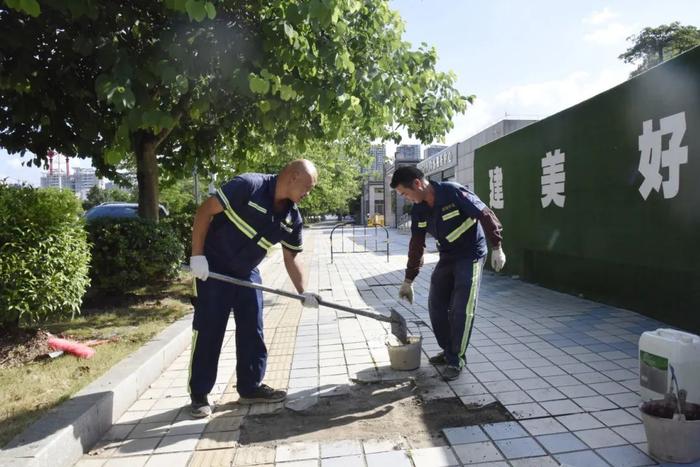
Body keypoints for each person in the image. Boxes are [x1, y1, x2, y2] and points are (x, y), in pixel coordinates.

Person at [187, 159, 321, 417]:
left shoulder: (292, 218)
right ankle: (199, 395)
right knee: (209, 329)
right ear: (292, 176)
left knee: (252, 328)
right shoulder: (248, 185)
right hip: (213, 269)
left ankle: (250, 387)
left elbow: (291, 257)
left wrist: (303, 291)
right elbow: (205, 211)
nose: (308, 193)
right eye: (308, 187)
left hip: (247, 272)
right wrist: (197, 256)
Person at [390, 166, 506, 381]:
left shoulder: (452, 192)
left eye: (405, 193)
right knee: (436, 303)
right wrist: (409, 280)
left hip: (470, 255)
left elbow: (484, 213)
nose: (406, 198)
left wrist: (497, 246)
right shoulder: (419, 210)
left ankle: (456, 360)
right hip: (447, 256)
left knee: (462, 308)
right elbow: (417, 245)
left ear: (417, 183)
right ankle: (448, 350)